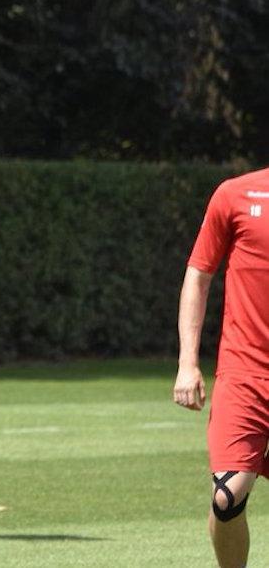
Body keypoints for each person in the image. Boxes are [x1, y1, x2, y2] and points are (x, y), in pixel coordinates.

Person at [173, 166, 269, 568]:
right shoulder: (235, 194)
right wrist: (187, 363)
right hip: (243, 372)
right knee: (227, 497)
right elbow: (198, 276)